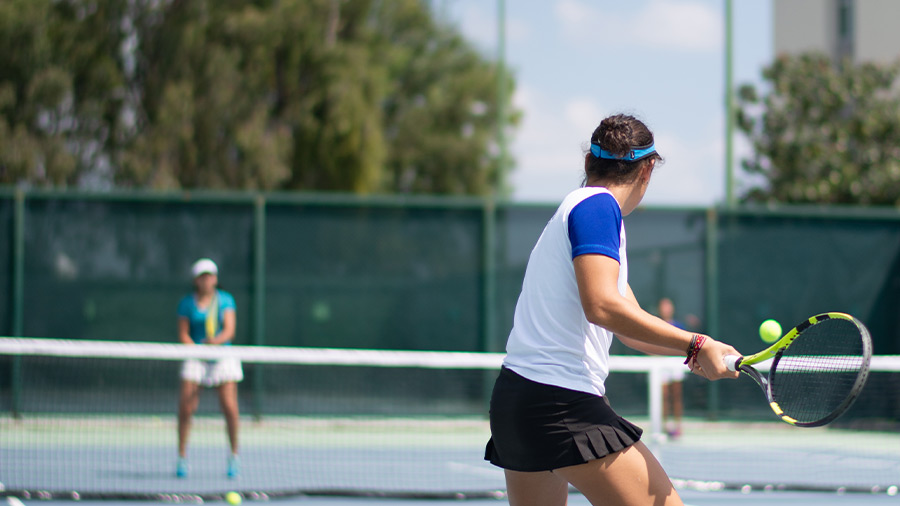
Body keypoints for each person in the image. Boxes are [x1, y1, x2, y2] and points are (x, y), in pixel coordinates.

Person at [484, 114, 740, 506]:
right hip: (561, 402)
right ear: (648, 169)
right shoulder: (598, 208)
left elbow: (629, 328)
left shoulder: (578, 211)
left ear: (589, 162)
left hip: (516, 402)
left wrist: (701, 353)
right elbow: (601, 306)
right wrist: (695, 342)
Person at [175, 258, 242, 479]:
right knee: (186, 409)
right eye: (203, 276)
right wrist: (197, 349)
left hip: (222, 357)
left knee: (230, 408)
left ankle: (234, 457)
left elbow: (229, 330)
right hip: (196, 358)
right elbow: (183, 334)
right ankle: (182, 458)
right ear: (196, 280)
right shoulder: (186, 303)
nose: (207, 280)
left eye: (210, 275)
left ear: (215, 279)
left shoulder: (225, 300)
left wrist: (216, 342)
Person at [657, 297, 686, 438]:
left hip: (676, 364)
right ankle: (665, 426)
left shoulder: (679, 326)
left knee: (676, 395)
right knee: (664, 395)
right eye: (663, 306)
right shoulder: (655, 325)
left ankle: (678, 425)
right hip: (661, 366)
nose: (666, 309)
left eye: (668, 306)